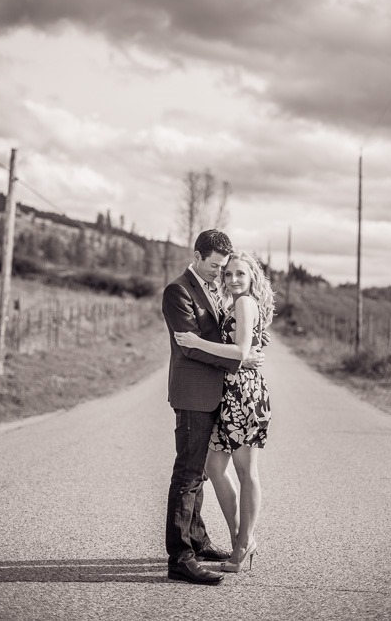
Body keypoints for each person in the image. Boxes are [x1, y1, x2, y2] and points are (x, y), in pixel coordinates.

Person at [162, 230, 265, 586]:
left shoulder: (214, 291)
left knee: (202, 473)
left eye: (225, 268)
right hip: (192, 393)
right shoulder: (177, 291)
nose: (220, 274)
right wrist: (240, 360)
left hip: (218, 395)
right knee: (188, 474)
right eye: (216, 267)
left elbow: (231, 335)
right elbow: (190, 347)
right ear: (197, 256)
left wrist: (245, 353)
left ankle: (199, 540)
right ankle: (180, 557)